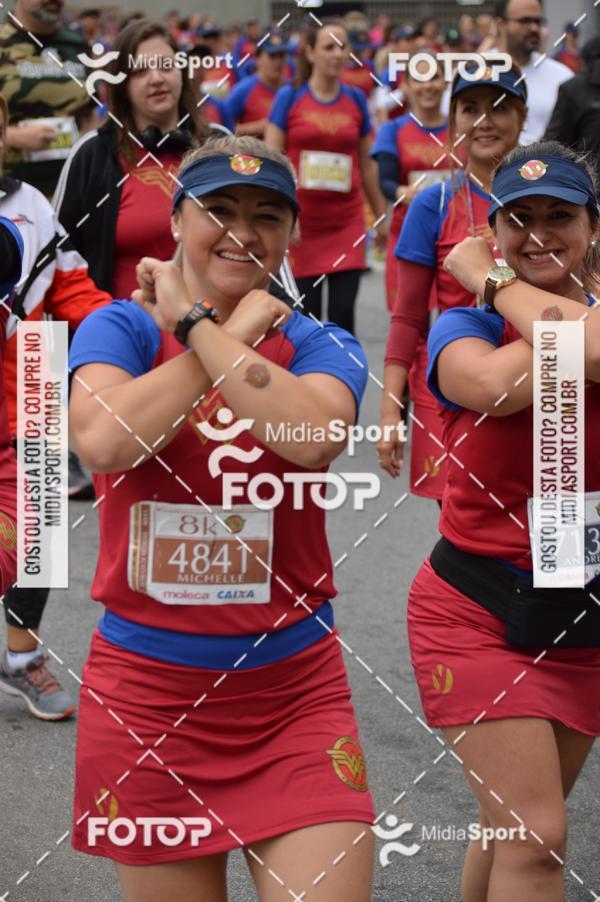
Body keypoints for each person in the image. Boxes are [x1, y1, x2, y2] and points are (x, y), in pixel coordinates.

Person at [68, 134, 375, 900]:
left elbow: (310, 438)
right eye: (220, 209)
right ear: (176, 222)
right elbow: (105, 440)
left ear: (293, 235)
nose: (244, 229)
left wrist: (204, 327)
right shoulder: (121, 330)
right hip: (148, 699)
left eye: (268, 214)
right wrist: (223, 333)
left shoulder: (321, 343)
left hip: (293, 697)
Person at [409, 139, 600, 900]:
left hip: (583, 611)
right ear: (495, 229)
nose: (539, 234)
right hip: (474, 608)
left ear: (593, 229)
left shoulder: (489, 295)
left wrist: (492, 279)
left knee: (510, 829)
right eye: (518, 220)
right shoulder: (466, 329)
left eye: (560, 216)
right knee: (537, 835)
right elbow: (489, 387)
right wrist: (549, 323)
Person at [0, 92, 109, 721]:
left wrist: (127, 325)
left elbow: (69, 282)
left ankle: (20, 657)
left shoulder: (29, 203)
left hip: (34, 373)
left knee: (38, 536)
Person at [377, 66, 526, 501]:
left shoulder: (546, 203)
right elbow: (407, 318)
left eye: (499, 108)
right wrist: (389, 412)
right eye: (470, 109)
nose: (484, 121)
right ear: (454, 121)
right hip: (449, 390)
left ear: (522, 116)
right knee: (461, 519)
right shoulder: (433, 203)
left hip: (533, 382)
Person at [54, 19, 207, 299]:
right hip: (120, 332)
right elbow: (57, 259)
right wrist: (62, 341)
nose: (157, 78)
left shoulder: (218, 146)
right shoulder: (92, 154)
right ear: (121, 83)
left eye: (165, 65)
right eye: (140, 71)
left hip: (211, 332)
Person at [265, 19, 387, 336]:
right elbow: (272, 159)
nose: (337, 54)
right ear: (310, 52)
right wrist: (282, 215)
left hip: (346, 225)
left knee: (343, 317)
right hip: (301, 228)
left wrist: (381, 216)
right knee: (305, 318)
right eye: (328, 47)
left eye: (343, 47)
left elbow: (367, 163)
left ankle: (342, 382)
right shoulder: (289, 98)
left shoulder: (357, 100)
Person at [370, 55, 449, 312]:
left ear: (445, 82)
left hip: (454, 237)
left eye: (434, 78)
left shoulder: (462, 130)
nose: (427, 86)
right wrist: (403, 192)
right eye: (419, 79)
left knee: (455, 319)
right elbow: (386, 182)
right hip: (409, 236)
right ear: (407, 85)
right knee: (411, 319)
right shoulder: (392, 129)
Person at [0, 0, 95, 197]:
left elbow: (91, 111)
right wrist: (14, 136)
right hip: (11, 193)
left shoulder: (77, 45)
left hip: (72, 189)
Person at [494, 0, 572, 143]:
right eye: (525, 21)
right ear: (501, 25)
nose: (534, 28)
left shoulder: (563, 77)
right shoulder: (474, 72)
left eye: (538, 21)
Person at [544, 36, 600, 182]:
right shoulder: (574, 89)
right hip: (588, 188)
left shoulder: (572, 88)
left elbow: (553, 143)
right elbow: (555, 144)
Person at [225, 30, 291, 138]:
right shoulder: (244, 89)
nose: (278, 62)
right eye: (272, 56)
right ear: (258, 59)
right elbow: (224, 129)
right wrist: (259, 127)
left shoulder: (293, 89)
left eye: (282, 56)